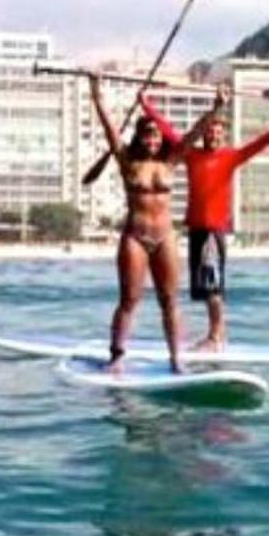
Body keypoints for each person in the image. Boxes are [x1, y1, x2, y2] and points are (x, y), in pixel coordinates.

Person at [141, 86, 269, 352]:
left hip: (213, 231)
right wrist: (147, 106)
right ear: (204, 135)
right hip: (197, 230)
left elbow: (259, 144)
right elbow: (167, 131)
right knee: (206, 287)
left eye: (217, 132)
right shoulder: (191, 155)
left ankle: (216, 337)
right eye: (209, 131)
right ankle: (217, 336)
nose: (213, 135)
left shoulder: (231, 156)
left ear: (223, 135)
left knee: (212, 286)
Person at [87, 73, 184, 372]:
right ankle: (116, 356)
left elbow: (193, 135)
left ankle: (176, 359)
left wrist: (216, 108)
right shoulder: (128, 161)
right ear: (140, 137)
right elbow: (110, 130)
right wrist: (96, 93)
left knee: (169, 301)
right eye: (147, 135)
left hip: (166, 236)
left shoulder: (171, 161)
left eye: (156, 135)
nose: (153, 140)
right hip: (136, 237)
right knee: (129, 299)